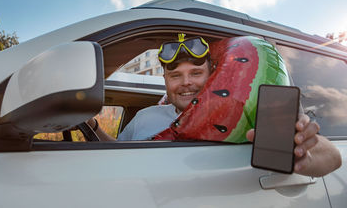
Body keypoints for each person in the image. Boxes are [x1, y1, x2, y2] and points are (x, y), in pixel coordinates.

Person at [87, 34, 341, 177]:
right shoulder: (145, 116)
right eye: (175, 76)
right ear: (165, 80)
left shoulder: (243, 111)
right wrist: (93, 125)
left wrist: (303, 156)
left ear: (212, 75)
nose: (186, 83)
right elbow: (115, 151)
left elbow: (333, 157)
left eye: (196, 73)